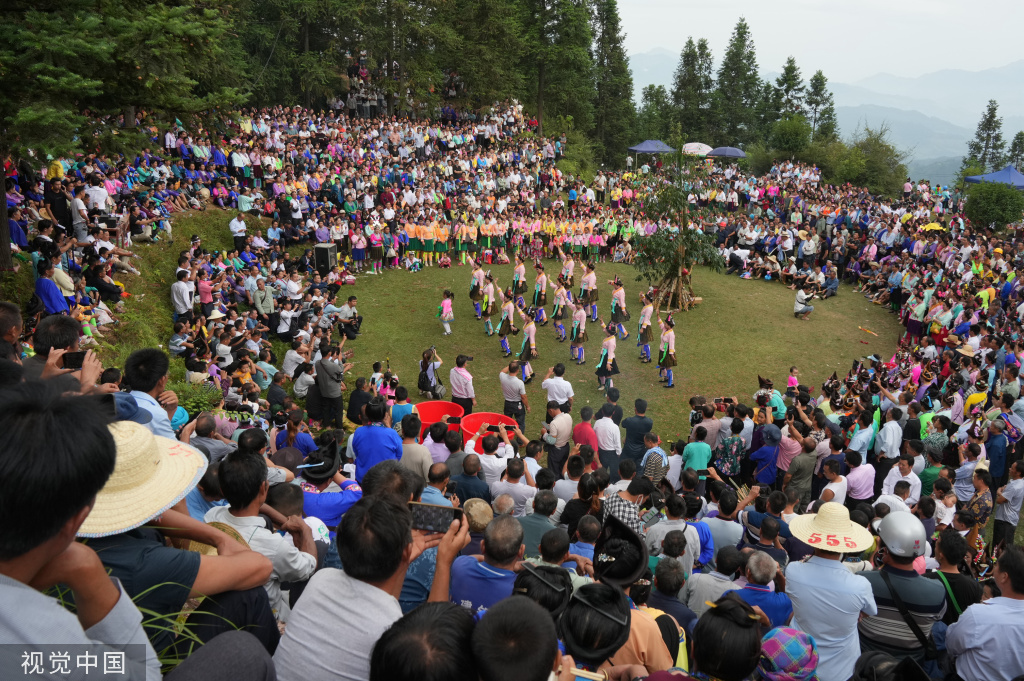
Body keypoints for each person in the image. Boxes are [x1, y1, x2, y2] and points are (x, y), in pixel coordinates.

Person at [0, 383, 277, 681]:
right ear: (77, 517)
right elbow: (144, 674)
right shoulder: (49, 641)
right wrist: (87, 570)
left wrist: (216, 535)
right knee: (246, 644)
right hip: (152, 656)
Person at [273, 493, 458, 681]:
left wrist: (403, 558)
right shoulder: (393, 633)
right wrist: (443, 563)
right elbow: (434, 641)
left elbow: (384, 599)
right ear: (406, 552)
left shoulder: (320, 578)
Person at [205, 450, 318, 622]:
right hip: (266, 618)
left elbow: (254, 505)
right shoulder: (273, 546)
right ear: (264, 488)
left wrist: (284, 522)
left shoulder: (212, 515)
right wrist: (306, 531)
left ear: (222, 489)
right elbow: (307, 567)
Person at [786, 502, 878, 681]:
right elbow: (870, 612)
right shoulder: (859, 585)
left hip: (799, 659)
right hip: (841, 669)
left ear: (814, 540)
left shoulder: (794, 571)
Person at [858, 512, 947, 662]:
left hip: (868, 664)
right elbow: (938, 618)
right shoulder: (937, 590)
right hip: (910, 667)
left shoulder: (863, 581)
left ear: (884, 548)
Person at [946, 545, 1024, 681]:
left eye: (996, 565)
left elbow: (952, 646)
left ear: (1004, 577)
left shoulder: (978, 615)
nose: (993, 568)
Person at [450, 514, 523, 612]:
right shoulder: (518, 588)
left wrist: (482, 557)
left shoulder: (460, 566)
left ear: (482, 546)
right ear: (521, 551)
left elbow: (470, 558)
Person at [350, 396, 403, 481]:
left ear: (367, 414)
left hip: (363, 479)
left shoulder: (359, 432)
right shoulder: (391, 433)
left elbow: (356, 452)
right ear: (385, 415)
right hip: (385, 480)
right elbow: (399, 454)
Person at [994, 460, 1024, 551]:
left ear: (1018, 473)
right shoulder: (1019, 482)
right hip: (1010, 519)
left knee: (999, 548)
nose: (1009, 469)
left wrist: (999, 491)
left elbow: (999, 500)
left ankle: (997, 564)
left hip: (1005, 520)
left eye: (1012, 468)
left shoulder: (1014, 486)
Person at [541, 400, 573, 473]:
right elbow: (562, 428)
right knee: (563, 468)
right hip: (566, 447)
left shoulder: (554, 423)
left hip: (556, 450)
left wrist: (544, 433)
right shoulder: (568, 416)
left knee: (553, 471)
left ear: (551, 410)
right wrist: (550, 428)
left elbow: (552, 441)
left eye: (549, 412)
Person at [621, 399, 653, 466]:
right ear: (645, 409)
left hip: (628, 451)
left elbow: (623, 424)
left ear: (635, 409)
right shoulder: (649, 422)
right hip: (641, 452)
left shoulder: (629, 421)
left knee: (624, 469)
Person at [499, 361, 530, 430]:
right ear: (517, 370)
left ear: (509, 369)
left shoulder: (502, 377)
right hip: (518, 405)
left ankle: (505, 436)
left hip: (507, 403)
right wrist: (527, 406)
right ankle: (520, 440)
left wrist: (512, 363)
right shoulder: (519, 383)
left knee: (506, 422)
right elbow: (523, 397)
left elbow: (502, 371)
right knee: (520, 423)